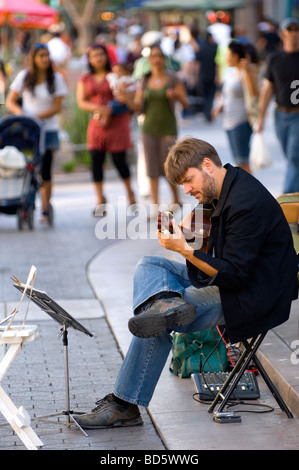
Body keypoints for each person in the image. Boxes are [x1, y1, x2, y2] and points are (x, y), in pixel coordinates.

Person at [75, 136, 298, 429]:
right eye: (182, 184)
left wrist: (184, 248)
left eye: (189, 181)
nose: (187, 190)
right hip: (232, 281)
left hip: (251, 295)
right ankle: (164, 303)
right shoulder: (224, 186)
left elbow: (234, 274)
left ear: (207, 165)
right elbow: (212, 236)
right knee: (150, 265)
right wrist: (187, 232)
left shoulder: (246, 202)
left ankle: (124, 405)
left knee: (158, 323)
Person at [119, 45, 189, 217]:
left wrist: (176, 96)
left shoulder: (173, 79)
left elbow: (186, 103)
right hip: (149, 127)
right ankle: (155, 207)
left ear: (164, 59)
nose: (157, 59)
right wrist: (126, 97)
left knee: (168, 165)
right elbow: (138, 107)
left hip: (168, 127)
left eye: (159, 56)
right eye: (153, 56)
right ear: (149, 60)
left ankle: (175, 198)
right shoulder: (144, 80)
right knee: (151, 168)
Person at [6, 42, 68, 223]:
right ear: (34, 58)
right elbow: (11, 101)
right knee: (27, 167)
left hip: (48, 129)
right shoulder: (24, 76)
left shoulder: (56, 79)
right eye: (41, 56)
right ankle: (26, 202)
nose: (45, 59)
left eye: (47, 55)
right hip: (27, 130)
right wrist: (23, 117)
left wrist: (37, 118)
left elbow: (57, 107)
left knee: (46, 170)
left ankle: (46, 208)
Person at [76, 43, 135, 213]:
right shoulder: (85, 78)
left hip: (117, 122)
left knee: (119, 160)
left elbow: (126, 93)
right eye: (94, 55)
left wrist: (111, 108)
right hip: (97, 123)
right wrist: (99, 109)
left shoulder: (114, 74)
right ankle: (100, 199)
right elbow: (81, 101)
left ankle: (130, 194)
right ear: (89, 59)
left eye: (101, 54)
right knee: (96, 160)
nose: (98, 58)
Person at [256, 17, 299, 193]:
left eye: (296, 29)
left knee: (294, 157)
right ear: (282, 34)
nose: (294, 33)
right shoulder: (274, 59)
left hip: (298, 115)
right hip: (280, 114)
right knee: (291, 158)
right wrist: (260, 119)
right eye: (290, 30)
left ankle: (287, 196)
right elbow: (267, 89)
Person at [213, 41, 259, 173]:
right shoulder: (230, 72)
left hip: (241, 121)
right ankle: (246, 191)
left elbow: (254, 92)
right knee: (239, 162)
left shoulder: (246, 71)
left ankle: (252, 191)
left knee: (243, 161)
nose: (226, 58)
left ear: (236, 56)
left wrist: (247, 70)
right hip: (229, 122)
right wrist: (220, 107)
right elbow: (228, 96)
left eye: (228, 54)